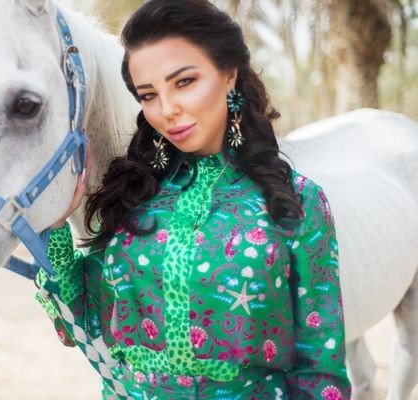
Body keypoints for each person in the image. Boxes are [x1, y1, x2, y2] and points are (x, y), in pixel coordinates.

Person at [35, 0, 351, 398]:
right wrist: (56, 226)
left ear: (229, 74)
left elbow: (321, 371)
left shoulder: (296, 201)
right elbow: (79, 325)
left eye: (183, 82)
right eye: (148, 95)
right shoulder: (134, 196)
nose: (167, 110)